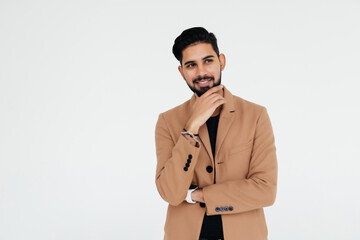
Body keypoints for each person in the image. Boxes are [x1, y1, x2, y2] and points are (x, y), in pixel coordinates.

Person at [154, 27, 278, 240]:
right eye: (191, 65)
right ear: (181, 71)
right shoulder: (168, 121)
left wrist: (200, 195)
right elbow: (171, 193)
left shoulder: (255, 115)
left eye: (208, 61)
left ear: (221, 61)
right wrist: (191, 128)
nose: (201, 72)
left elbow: (266, 190)